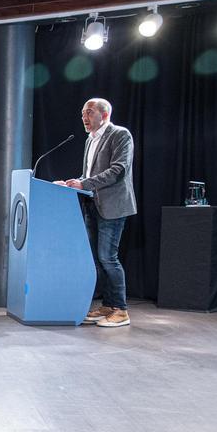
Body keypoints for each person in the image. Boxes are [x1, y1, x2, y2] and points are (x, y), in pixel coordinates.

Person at [56, 98, 137, 329]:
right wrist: (74, 182)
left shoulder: (120, 135)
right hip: (93, 205)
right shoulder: (89, 140)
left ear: (104, 114)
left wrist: (85, 184)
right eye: (82, 113)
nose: (84, 117)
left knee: (108, 258)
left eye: (89, 112)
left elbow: (118, 170)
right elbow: (88, 174)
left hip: (113, 206)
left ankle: (121, 310)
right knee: (97, 260)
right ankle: (108, 306)